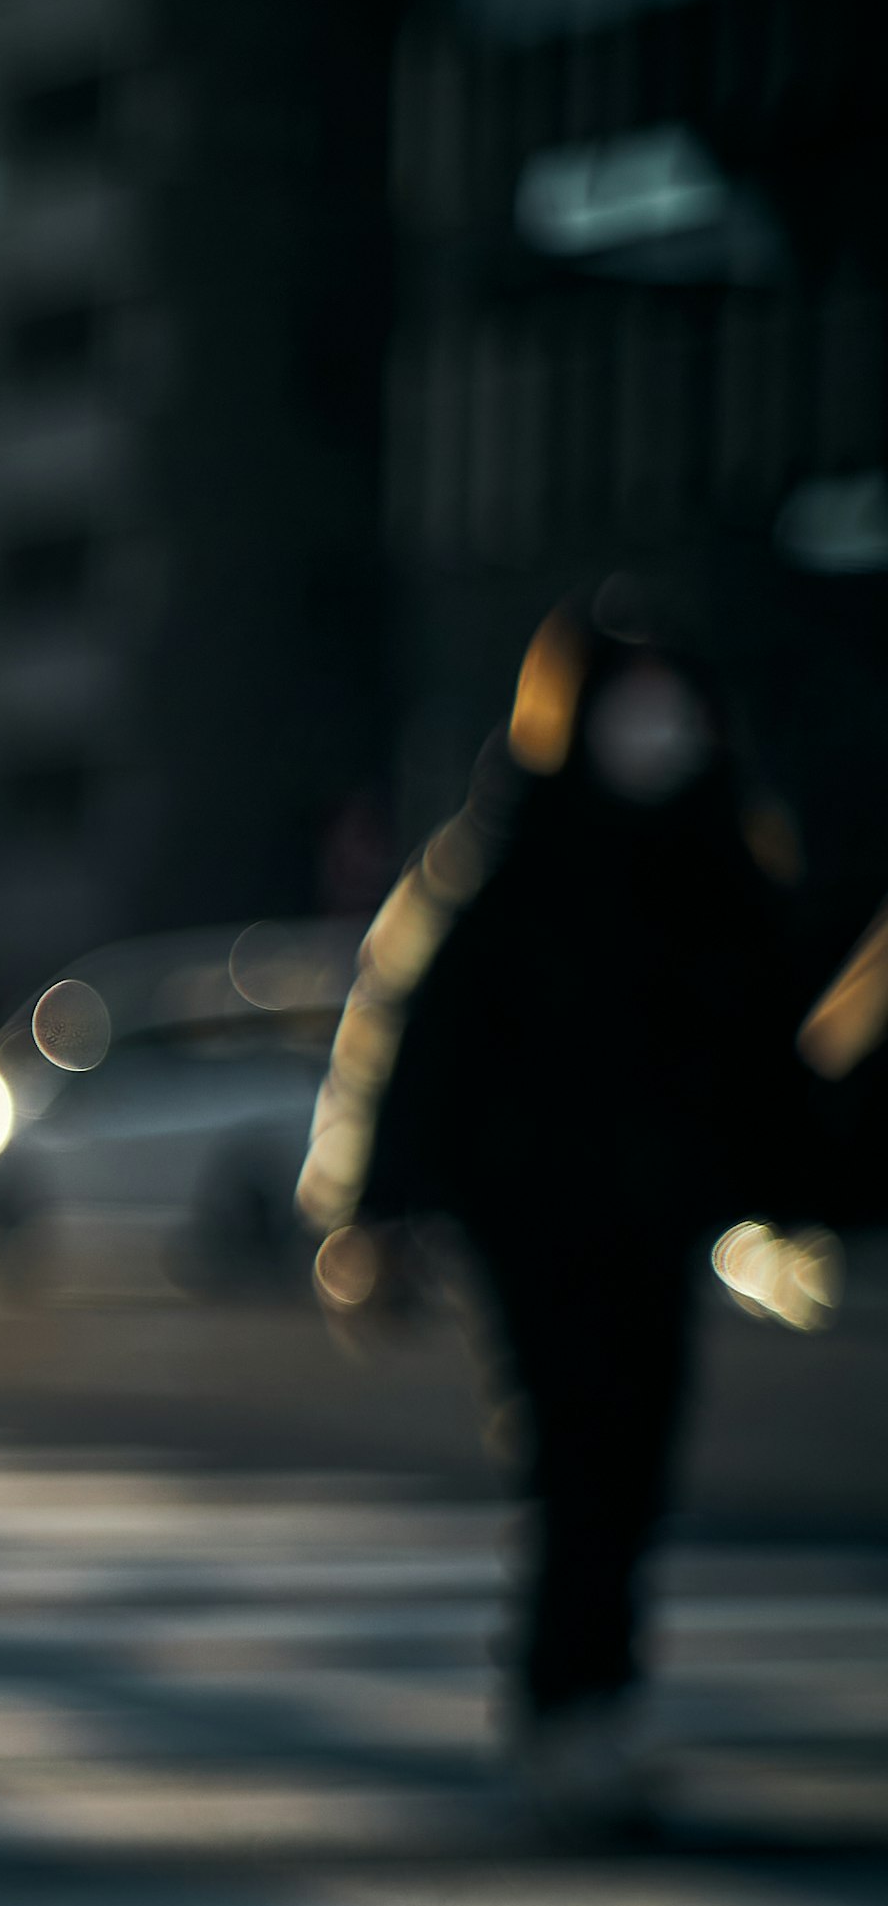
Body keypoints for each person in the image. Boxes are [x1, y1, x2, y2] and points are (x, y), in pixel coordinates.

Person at [302, 586, 824, 1837]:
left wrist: (793, 1189)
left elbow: (769, 1060)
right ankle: (565, 1704)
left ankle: (598, 1702)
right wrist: (377, 1217)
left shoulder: (723, 867)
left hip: (658, 1215)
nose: (655, 735)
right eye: (630, 711)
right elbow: (418, 1049)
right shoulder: (510, 861)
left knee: (638, 1447)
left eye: (670, 711)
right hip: (531, 1216)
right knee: (578, 1446)